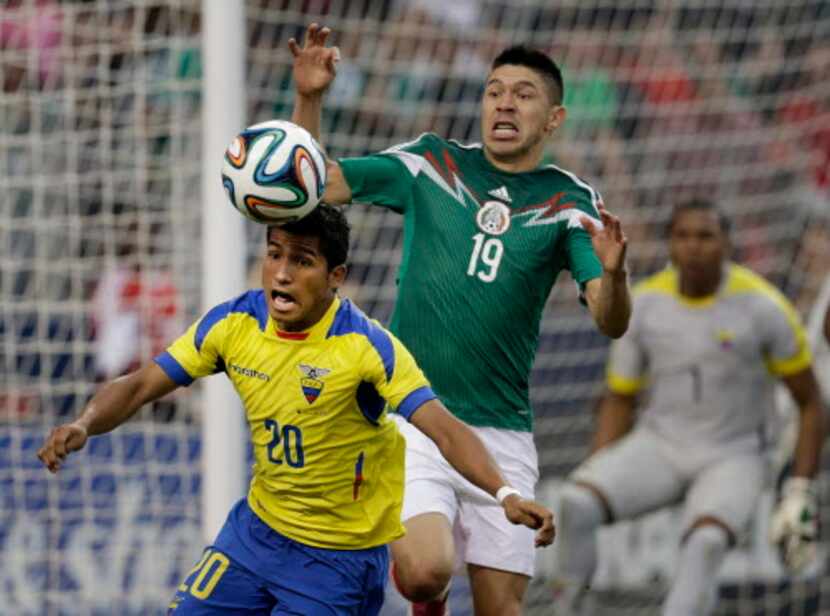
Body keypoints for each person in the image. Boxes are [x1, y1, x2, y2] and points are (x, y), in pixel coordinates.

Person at [36, 205, 555, 616]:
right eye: (274, 254)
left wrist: (504, 492)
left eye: (302, 261)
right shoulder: (234, 323)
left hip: (338, 562)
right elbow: (141, 384)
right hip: (255, 535)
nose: (281, 274)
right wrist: (84, 423)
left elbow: (443, 429)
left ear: (336, 275)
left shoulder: (367, 346)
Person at [288, 23, 632, 616]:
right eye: (495, 90)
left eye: (524, 94)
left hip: (502, 432)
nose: (504, 102)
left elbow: (608, 320)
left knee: (501, 609)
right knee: (424, 572)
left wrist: (618, 275)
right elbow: (317, 185)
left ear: (554, 119)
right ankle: (432, 598)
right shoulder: (431, 163)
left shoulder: (570, 202)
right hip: (413, 418)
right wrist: (310, 99)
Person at [553, 199, 825, 615]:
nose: (694, 247)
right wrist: (599, 462)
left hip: (735, 454)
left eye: (706, 236)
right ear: (669, 245)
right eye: (683, 236)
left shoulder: (765, 308)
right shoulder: (642, 303)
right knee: (576, 503)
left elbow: (810, 403)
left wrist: (799, 489)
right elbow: (620, 397)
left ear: (727, 244)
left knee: (706, 544)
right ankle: (565, 608)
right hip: (662, 444)